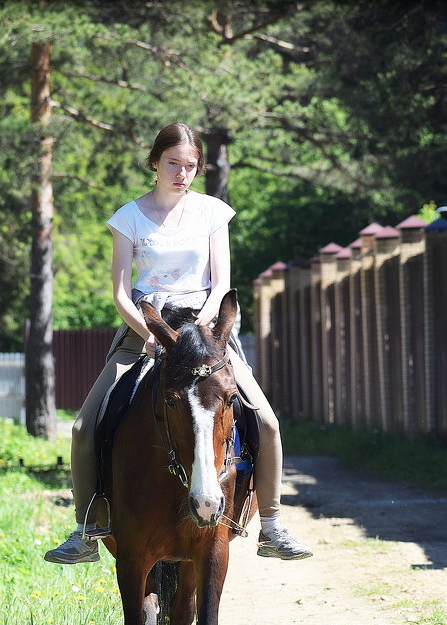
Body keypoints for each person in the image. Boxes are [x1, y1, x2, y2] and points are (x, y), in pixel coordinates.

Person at [44, 122, 313, 565]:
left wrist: (197, 336)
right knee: (83, 425)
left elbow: (222, 282)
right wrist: (154, 337)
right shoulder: (128, 217)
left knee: (266, 421)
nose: (182, 173)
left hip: (206, 334)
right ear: (154, 162)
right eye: (173, 163)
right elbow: (119, 292)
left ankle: (272, 526)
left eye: (190, 166)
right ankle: (86, 528)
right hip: (144, 330)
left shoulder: (213, 212)